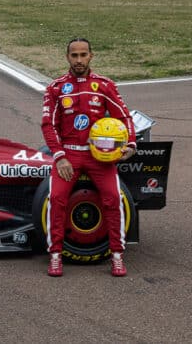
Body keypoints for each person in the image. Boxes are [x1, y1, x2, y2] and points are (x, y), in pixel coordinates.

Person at [41, 38, 136, 277]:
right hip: (69, 155)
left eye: (84, 55)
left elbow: (124, 118)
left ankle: (116, 256)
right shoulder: (56, 87)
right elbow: (48, 125)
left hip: (99, 156)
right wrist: (60, 156)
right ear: (67, 58)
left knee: (113, 199)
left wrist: (131, 144)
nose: (79, 60)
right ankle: (55, 256)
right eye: (75, 55)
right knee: (57, 199)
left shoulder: (104, 85)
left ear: (91, 56)